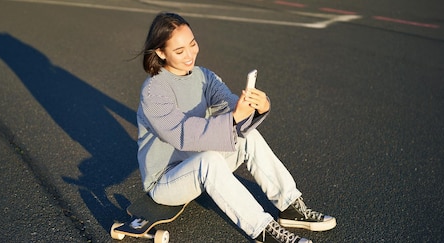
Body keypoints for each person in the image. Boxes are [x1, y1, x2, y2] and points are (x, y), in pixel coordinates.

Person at [136, 12, 336, 243]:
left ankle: (290, 207)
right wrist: (232, 119)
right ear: (160, 52)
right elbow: (182, 134)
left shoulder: (204, 77)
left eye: (192, 44)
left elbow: (230, 105)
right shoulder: (154, 90)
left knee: (248, 136)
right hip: (166, 180)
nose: (190, 54)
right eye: (179, 51)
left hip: (198, 164)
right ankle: (264, 231)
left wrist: (257, 106)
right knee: (209, 160)